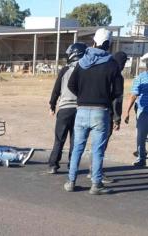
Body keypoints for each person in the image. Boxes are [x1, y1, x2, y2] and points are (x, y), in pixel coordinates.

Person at [64, 28, 122, 195]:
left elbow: (71, 85)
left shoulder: (82, 62)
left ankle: (71, 181)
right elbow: (117, 93)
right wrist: (114, 113)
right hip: (101, 112)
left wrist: (83, 96)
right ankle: (96, 184)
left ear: (94, 42)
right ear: (108, 44)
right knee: (97, 150)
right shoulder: (112, 64)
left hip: (81, 110)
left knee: (77, 148)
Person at [87, 51, 128, 183]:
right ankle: (96, 173)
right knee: (101, 145)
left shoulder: (102, 71)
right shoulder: (117, 76)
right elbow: (117, 100)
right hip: (107, 114)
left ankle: (91, 170)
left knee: (95, 143)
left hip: (93, 109)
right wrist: (117, 118)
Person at [47, 42, 87, 174]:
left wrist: (52, 104)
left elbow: (56, 89)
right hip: (80, 110)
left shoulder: (65, 70)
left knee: (59, 138)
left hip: (64, 109)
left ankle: (53, 165)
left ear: (75, 54)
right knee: (75, 140)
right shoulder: (86, 70)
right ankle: (72, 166)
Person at [124, 54, 148, 167]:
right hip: (143, 112)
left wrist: (127, 112)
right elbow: (134, 95)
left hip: (143, 112)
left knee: (141, 136)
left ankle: (141, 158)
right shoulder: (140, 77)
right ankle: (141, 158)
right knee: (141, 136)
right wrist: (127, 111)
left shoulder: (140, 77)